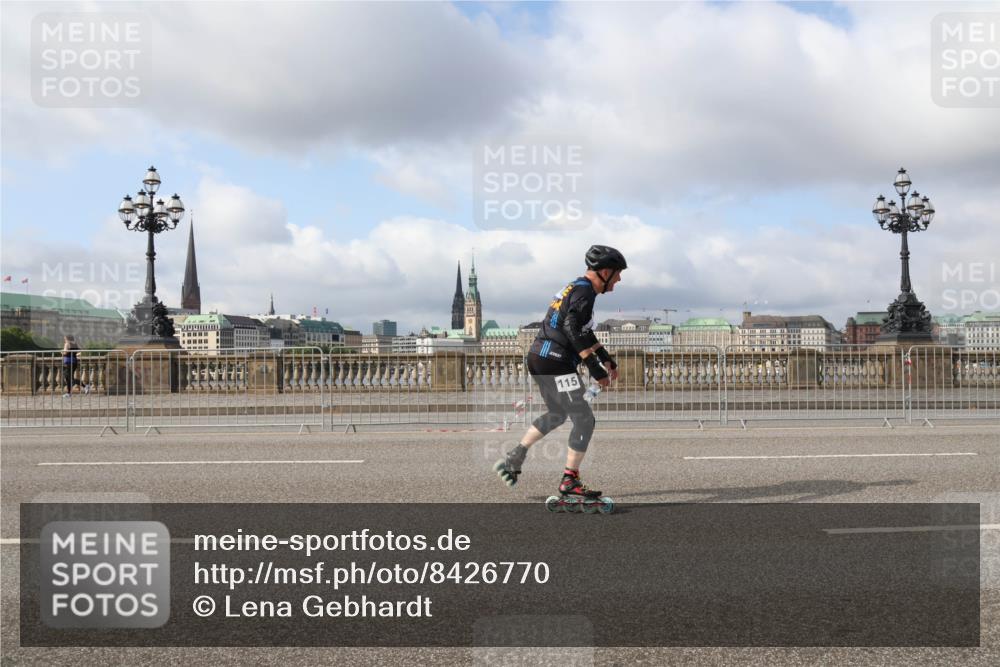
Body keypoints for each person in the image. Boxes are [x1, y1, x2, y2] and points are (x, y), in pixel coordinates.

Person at [494, 245, 627, 500]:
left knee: (558, 413)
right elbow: (571, 327)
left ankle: (517, 454)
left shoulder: (576, 287)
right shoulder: (585, 292)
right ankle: (570, 481)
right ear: (606, 271)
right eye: (618, 274)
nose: (619, 280)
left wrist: (605, 357)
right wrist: (594, 368)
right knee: (584, 419)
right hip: (555, 361)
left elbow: (583, 330)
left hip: (539, 357)